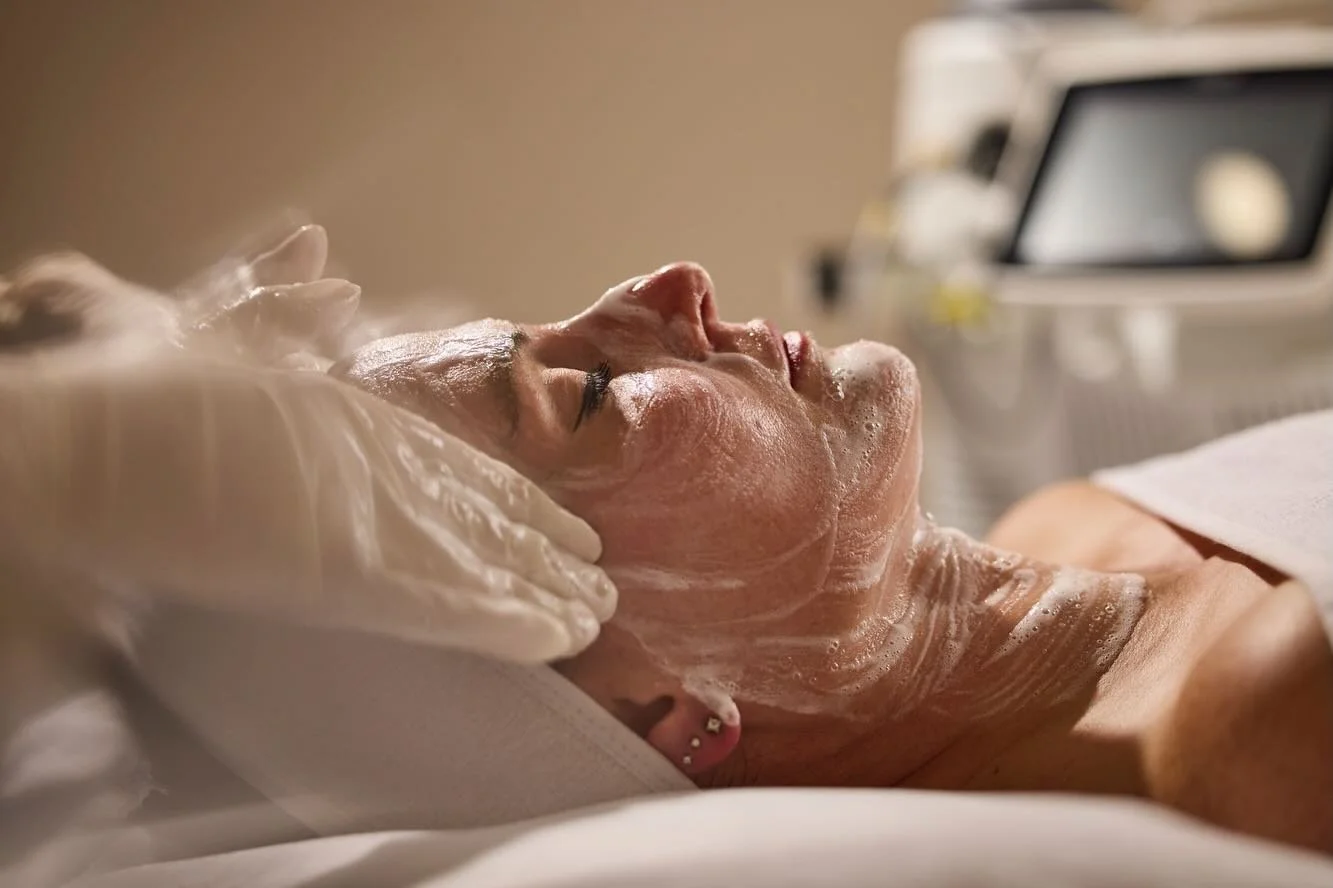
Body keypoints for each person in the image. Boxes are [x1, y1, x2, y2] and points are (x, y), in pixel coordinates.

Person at [330, 260, 1333, 855]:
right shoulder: (1270, 728)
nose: (670, 284)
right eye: (588, 394)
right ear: (663, 707)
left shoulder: (1058, 529)